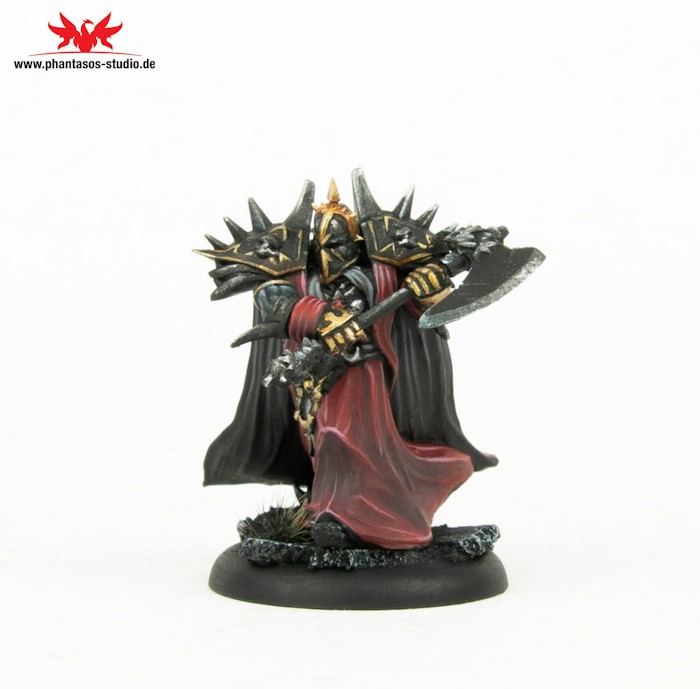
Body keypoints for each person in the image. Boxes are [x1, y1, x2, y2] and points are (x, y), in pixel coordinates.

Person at [197, 170, 498, 549]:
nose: (332, 251)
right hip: (315, 377)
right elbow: (272, 298)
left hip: (366, 374)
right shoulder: (299, 277)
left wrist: (429, 286)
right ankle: (329, 508)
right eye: (325, 243)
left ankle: (344, 517)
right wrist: (318, 316)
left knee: (354, 443)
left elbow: (429, 308)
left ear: (355, 241)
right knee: (324, 441)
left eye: (340, 242)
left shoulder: (381, 274)